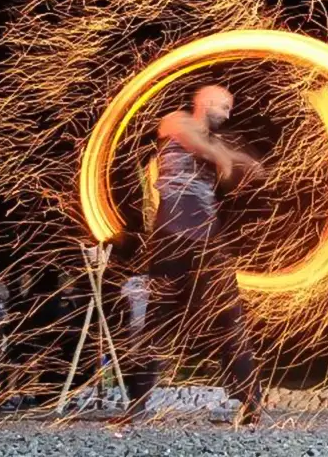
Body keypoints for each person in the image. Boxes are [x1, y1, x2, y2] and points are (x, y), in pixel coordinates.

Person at [119, 85, 266, 426]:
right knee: (156, 323)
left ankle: (251, 401)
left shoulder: (217, 144)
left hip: (210, 246)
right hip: (171, 240)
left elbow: (232, 158)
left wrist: (250, 165)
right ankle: (137, 405)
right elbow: (197, 144)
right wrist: (226, 159)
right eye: (225, 107)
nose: (228, 115)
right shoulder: (175, 121)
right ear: (207, 103)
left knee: (231, 321)